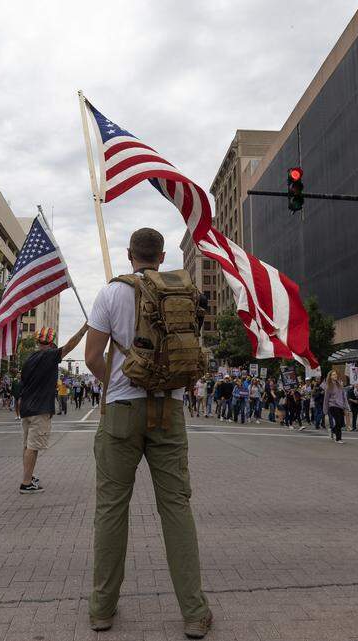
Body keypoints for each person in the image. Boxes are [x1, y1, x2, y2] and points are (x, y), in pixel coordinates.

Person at [82, 228, 212, 637]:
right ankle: (194, 613)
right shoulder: (184, 295)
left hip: (122, 410)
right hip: (169, 411)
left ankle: (103, 609)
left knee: (111, 509)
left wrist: (116, 385)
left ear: (129, 255)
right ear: (161, 256)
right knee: (176, 509)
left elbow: (90, 358)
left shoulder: (111, 294)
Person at [17, 325, 87, 494]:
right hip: (39, 409)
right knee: (33, 447)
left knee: (28, 446)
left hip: (27, 408)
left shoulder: (29, 359)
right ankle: (26, 483)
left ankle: (29, 476)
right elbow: (69, 346)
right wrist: (84, 329)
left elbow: (23, 384)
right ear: (51, 342)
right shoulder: (49, 355)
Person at [323, 370, 347, 443]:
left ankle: (332, 430)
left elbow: (343, 396)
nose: (335, 376)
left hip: (340, 406)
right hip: (332, 406)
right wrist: (325, 409)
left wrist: (346, 406)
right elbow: (326, 398)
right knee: (338, 421)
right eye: (333, 375)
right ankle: (338, 439)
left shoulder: (340, 385)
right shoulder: (329, 386)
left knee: (341, 423)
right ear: (330, 377)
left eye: (335, 374)